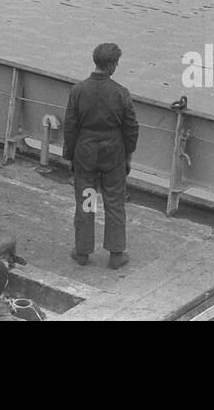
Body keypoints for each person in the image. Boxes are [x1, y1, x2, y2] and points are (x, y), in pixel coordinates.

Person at [63, 42, 139, 270]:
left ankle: (83, 251)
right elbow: (131, 128)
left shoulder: (78, 90)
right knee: (114, 202)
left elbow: (70, 126)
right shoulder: (121, 93)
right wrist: (128, 156)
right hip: (113, 154)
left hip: (85, 153)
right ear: (111, 66)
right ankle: (116, 254)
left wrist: (71, 156)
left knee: (87, 200)